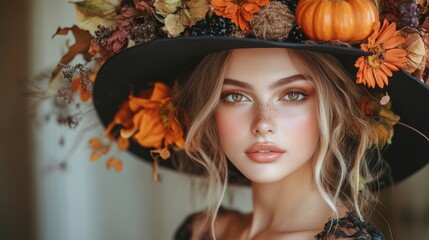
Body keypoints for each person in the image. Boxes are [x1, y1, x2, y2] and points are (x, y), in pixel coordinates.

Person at [52, 0, 428, 239]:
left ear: (337, 110)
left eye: (293, 94)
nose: (262, 123)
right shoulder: (201, 231)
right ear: (207, 111)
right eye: (235, 96)